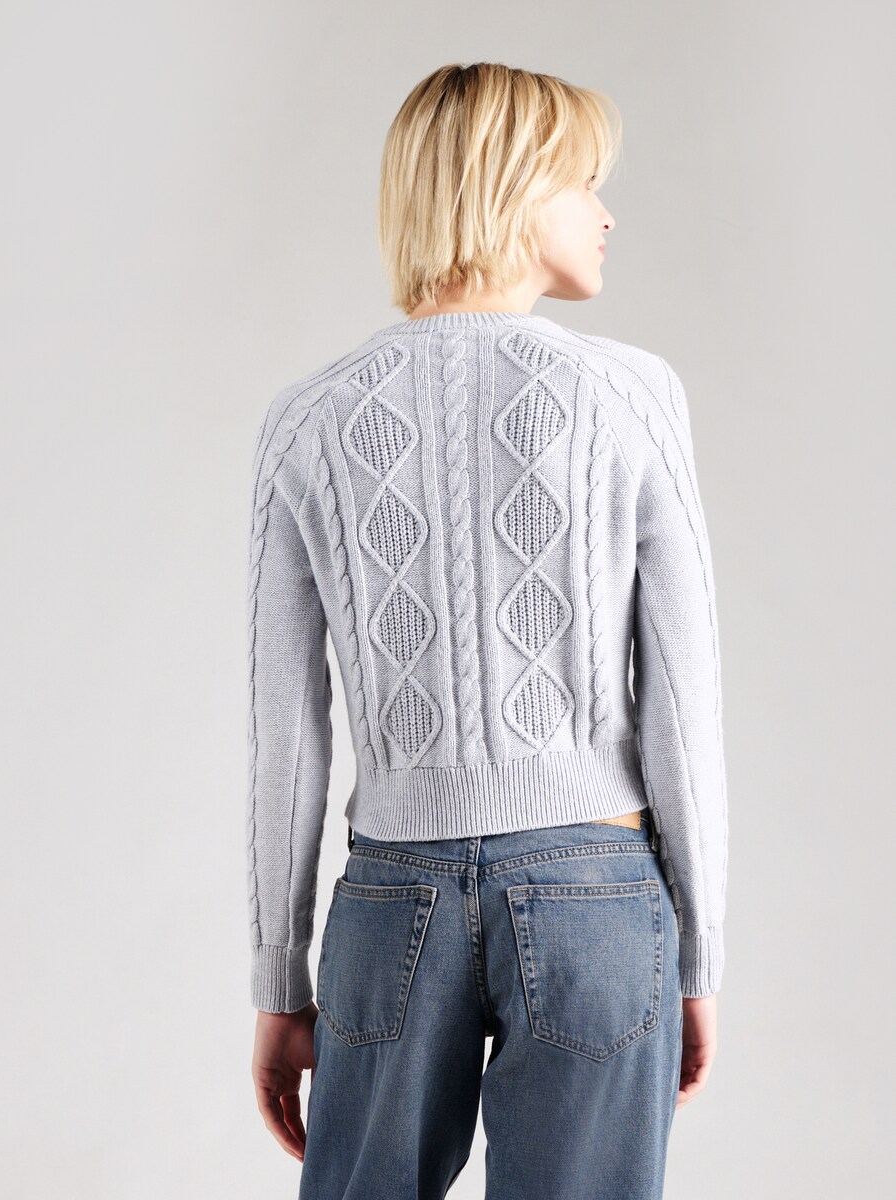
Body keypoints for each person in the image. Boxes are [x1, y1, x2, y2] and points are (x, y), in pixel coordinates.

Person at [245, 62, 728, 1200]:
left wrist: (277, 981)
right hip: (597, 896)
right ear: (510, 188)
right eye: (584, 183)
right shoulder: (633, 396)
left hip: (389, 900)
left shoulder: (305, 421)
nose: (606, 215)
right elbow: (683, 698)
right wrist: (700, 954)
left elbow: (285, 735)